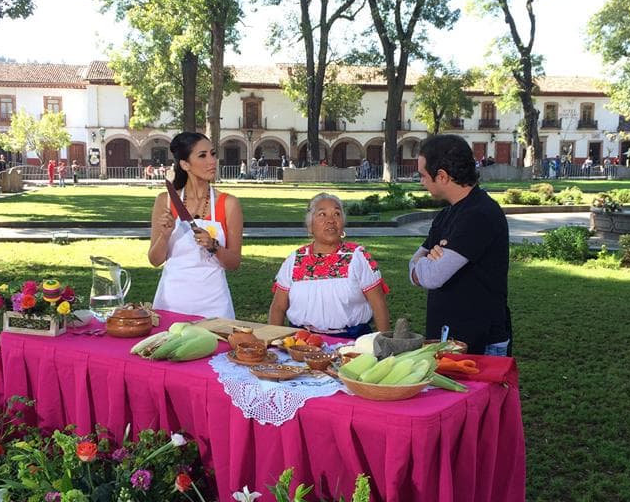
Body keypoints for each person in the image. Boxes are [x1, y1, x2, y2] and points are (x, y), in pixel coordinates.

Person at [409, 134, 511, 357]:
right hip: (447, 338)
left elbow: (431, 277)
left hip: (478, 344)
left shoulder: (479, 215)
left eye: (423, 176)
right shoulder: (447, 214)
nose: (421, 182)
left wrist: (424, 264)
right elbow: (414, 268)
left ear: (442, 176)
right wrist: (425, 263)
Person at [268, 193, 390, 338]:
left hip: (351, 343)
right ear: (310, 225)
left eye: (337, 214)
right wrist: (273, 344)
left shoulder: (358, 256)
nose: (331, 220)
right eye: (322, 214)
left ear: (343, 223)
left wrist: (385, 345)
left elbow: (379, 306)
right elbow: (278, 308)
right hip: (301, 344)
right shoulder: (295, 260)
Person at [149, 132, 243, 318]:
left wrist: (213, 246)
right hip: (171, 303)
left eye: (213, 154)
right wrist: (165, 235)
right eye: (202, 155)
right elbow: (155, 260)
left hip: (214, 306)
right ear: (185, 164)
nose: (212, 161)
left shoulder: (228, 204)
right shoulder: (166, 201)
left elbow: (234, 263)